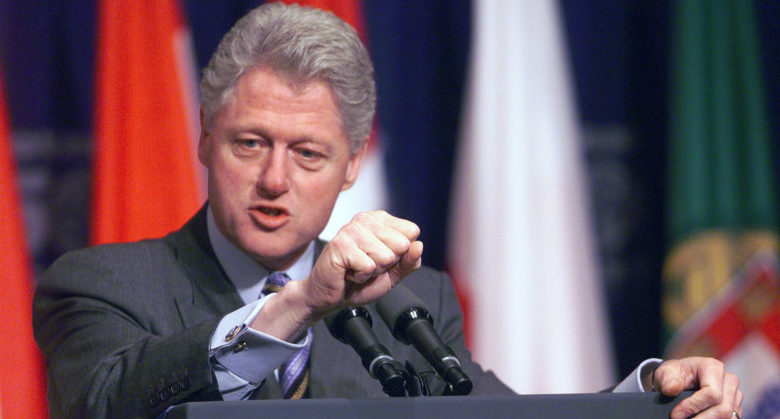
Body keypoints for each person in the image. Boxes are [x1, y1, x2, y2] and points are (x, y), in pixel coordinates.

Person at [33, 3, 742, 419]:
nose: (274, 178)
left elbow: (507, 416)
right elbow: (106, 400)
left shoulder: (410, 299)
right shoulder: (101, 283)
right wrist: (303, 303)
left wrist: (652, 394)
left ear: (351, 168)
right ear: (204, 138)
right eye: (251, 143)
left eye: (308, 155)